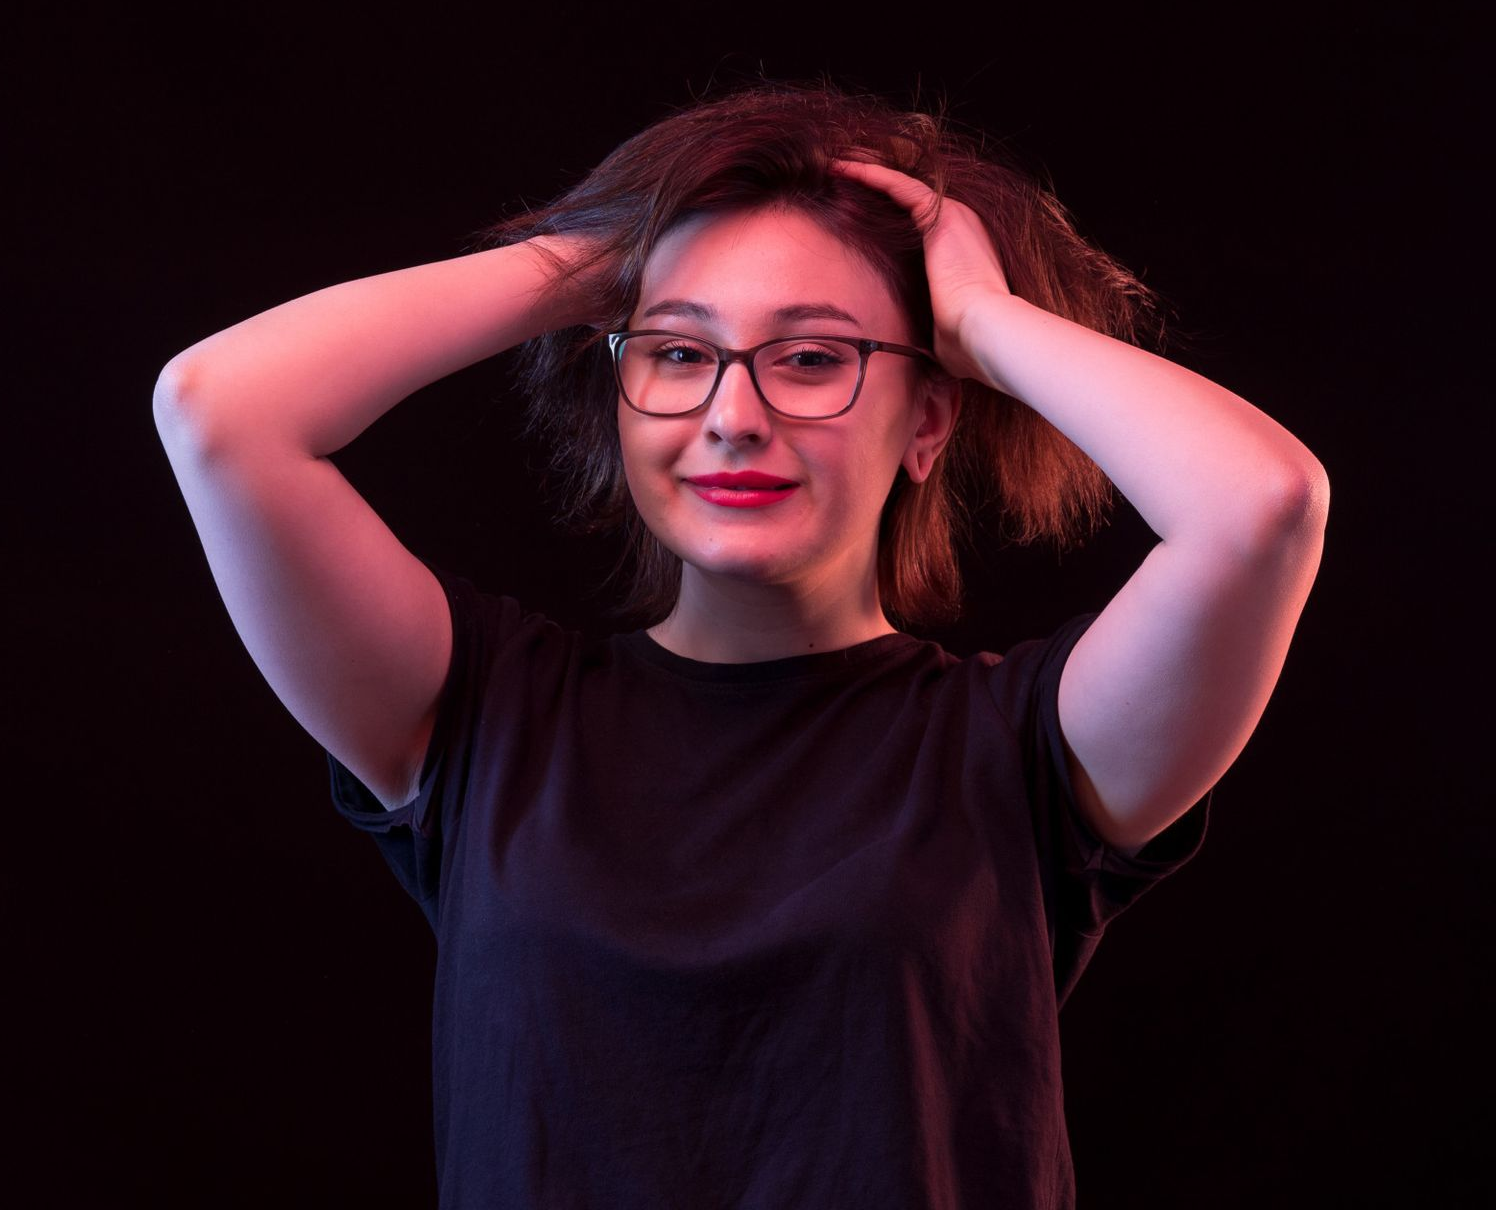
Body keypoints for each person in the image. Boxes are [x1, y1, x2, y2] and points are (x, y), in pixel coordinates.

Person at [153, 79, 1328, 1208]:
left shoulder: (1021, 746)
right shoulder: (479, 711)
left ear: (926, 419)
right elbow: (220, 408)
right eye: (676, 352)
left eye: (812, 356)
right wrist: (599, 257)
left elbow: (1258, 506)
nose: (732, 412)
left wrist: (979, 316)